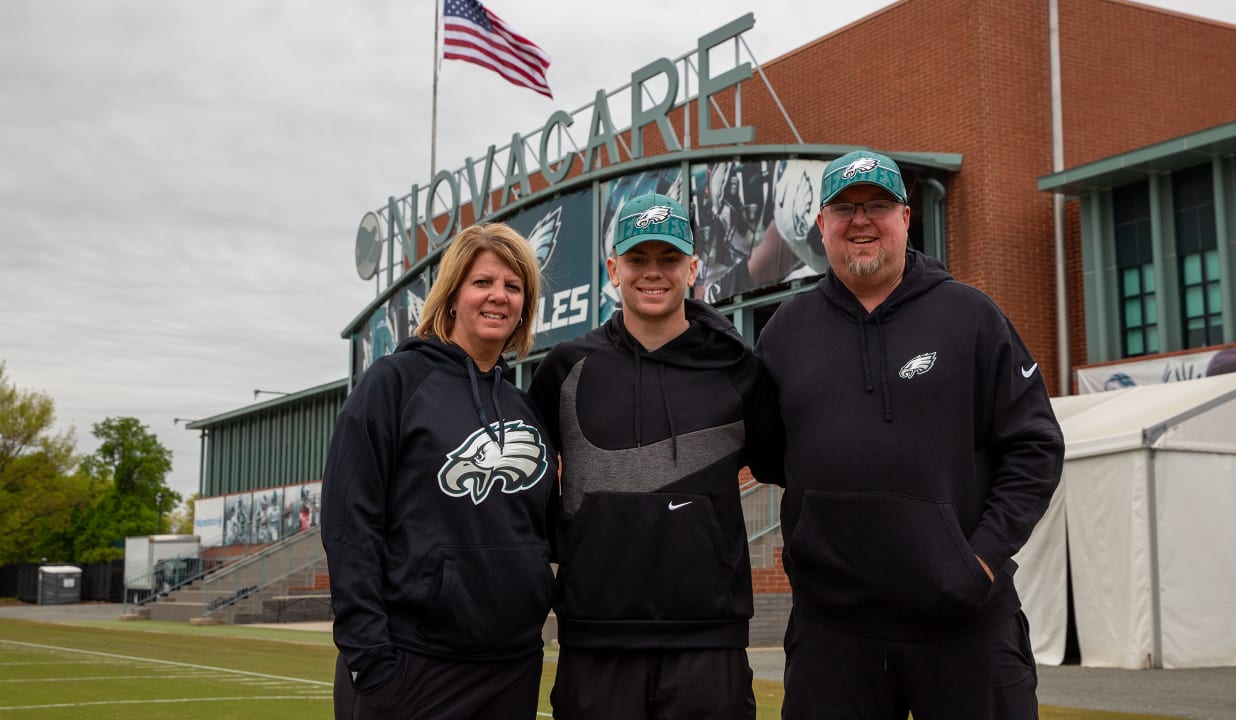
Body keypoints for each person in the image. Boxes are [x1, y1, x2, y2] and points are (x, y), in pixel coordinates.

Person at [751, 149, 1065, 720]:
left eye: (877, 204)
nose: (861, 219)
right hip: (833, 634)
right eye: (844, 206)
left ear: (905, 217)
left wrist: (981, 561)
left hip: (966, 625)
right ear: (821, 224)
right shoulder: (784, 333)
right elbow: (774, 456)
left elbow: (1035, 447)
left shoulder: (971, 317)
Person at [530, 192, 757, 720]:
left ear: (693, 268)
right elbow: (529, 483)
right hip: (596, 641)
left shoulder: (739, 370)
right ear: (613, 268)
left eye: (668, 259)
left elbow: (789, 462)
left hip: (709, 641)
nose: (652, 273)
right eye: (637, 259)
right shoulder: (565, 367)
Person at [321, 223, 558, 720]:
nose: (499, 297)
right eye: (483, 283)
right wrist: (371, 659)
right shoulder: (393, 383)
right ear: (452, 296)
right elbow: (350, 524)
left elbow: (545, 531)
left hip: (511, 668)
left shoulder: (525, 409)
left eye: (514, 287)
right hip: (413, 666)